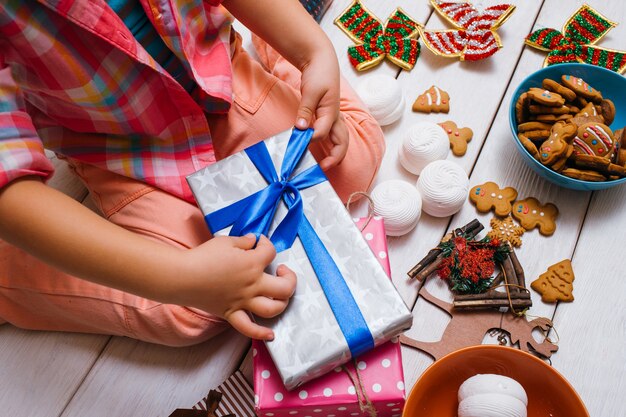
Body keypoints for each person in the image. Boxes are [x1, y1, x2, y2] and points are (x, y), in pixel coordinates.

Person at [0, 0, 385, 346]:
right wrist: (181, 276)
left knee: (352, 161)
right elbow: (9, 191)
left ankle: (275, 43)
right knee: (187, 312)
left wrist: (311, 51)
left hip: (222, 86)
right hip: (123, 155)